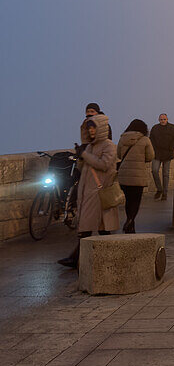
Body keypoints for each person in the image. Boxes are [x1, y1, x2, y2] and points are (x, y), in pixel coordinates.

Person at [58, 114, 119, 269]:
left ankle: (78, 260)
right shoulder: (91, 146)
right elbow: (84, 168)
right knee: (96, 228)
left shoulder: (109, 146)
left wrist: (84, 154)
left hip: (99, 192)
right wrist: (80, 156)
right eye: (89, 128)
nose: (91, 131)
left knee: (92, 228)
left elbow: (104, 164)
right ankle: (80, 259)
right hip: (88, 192)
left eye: (94, 127)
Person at [117, 119, 154, 233]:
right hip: (137, 175)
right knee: (136, 200)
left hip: (124, 175)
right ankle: (130, 220)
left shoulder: (122, 139)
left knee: (129, 200)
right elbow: (150, 157)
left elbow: (119, 154)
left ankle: (131, 226)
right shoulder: (145, 140)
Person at [150, 113, 174, 200]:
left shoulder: (173, 127)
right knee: (154, 171)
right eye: (161, 119)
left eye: (164, 119)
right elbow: (151, 139)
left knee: (165, 174)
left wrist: (171, 147)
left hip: (168, 153)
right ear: (159, 120)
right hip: (157, 153)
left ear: (167, 119)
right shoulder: (155, 128)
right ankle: (159, 189)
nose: (163, 121)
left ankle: (165, 193)